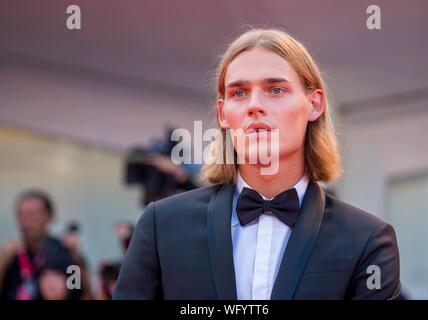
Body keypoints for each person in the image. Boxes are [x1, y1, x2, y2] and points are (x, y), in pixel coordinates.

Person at [113, 28, 401, 300]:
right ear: (223, 113)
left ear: (314, 105)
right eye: (239, 93)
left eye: (275, 90)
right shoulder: (162, 225)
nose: (254, 105)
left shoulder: (368, 239)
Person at [0, 190, 76, 300]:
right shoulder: (10, 255)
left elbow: (80, 291)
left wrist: (76, 259)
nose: (25, 222)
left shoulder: (64, 252)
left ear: (49, 216)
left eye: (32, 215)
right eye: (20, 215)